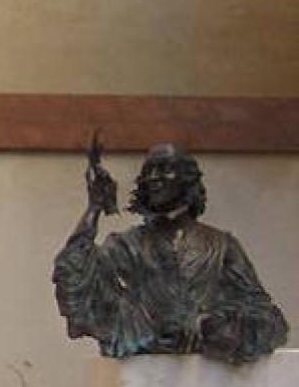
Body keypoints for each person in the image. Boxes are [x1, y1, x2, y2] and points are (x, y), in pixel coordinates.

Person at [52, 141, 288, 364]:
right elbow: (74, 276)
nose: (154, 178)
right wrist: (94, 210)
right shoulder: (126, 245)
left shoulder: (221, 245)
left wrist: (213, 324)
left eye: (165, 169)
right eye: (149, 171)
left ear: (188, 179)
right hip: (144, 349)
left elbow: (264, 313)